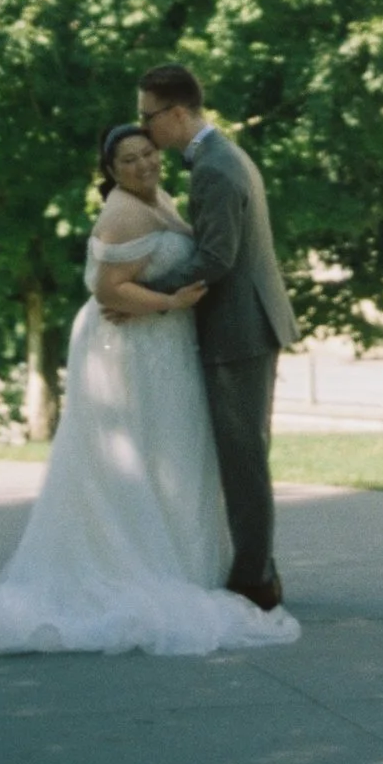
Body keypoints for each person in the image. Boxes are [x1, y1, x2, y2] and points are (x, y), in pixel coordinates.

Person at [0, 124, 302, 658]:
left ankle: (184, 564)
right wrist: (170, 303)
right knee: (135, 454)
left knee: (172, 454)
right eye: (129, 160)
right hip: (131, 347)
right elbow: (106, 290)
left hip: (163, 345)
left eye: (147, 154)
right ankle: (134, 565)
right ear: (110, 172)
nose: (143, 166)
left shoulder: (158, 196)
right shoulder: (120, 213)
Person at [135, 63, 298, 613]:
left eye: (148, 116)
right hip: (252, 323)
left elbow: (216, 259)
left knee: (243, 459)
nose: (145, 129)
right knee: (246, 455)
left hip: (239, 331)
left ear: (177, 113)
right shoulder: (223, 154)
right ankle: (258, 571)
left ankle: (254, 581)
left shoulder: (214, 169)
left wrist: (139, 292)